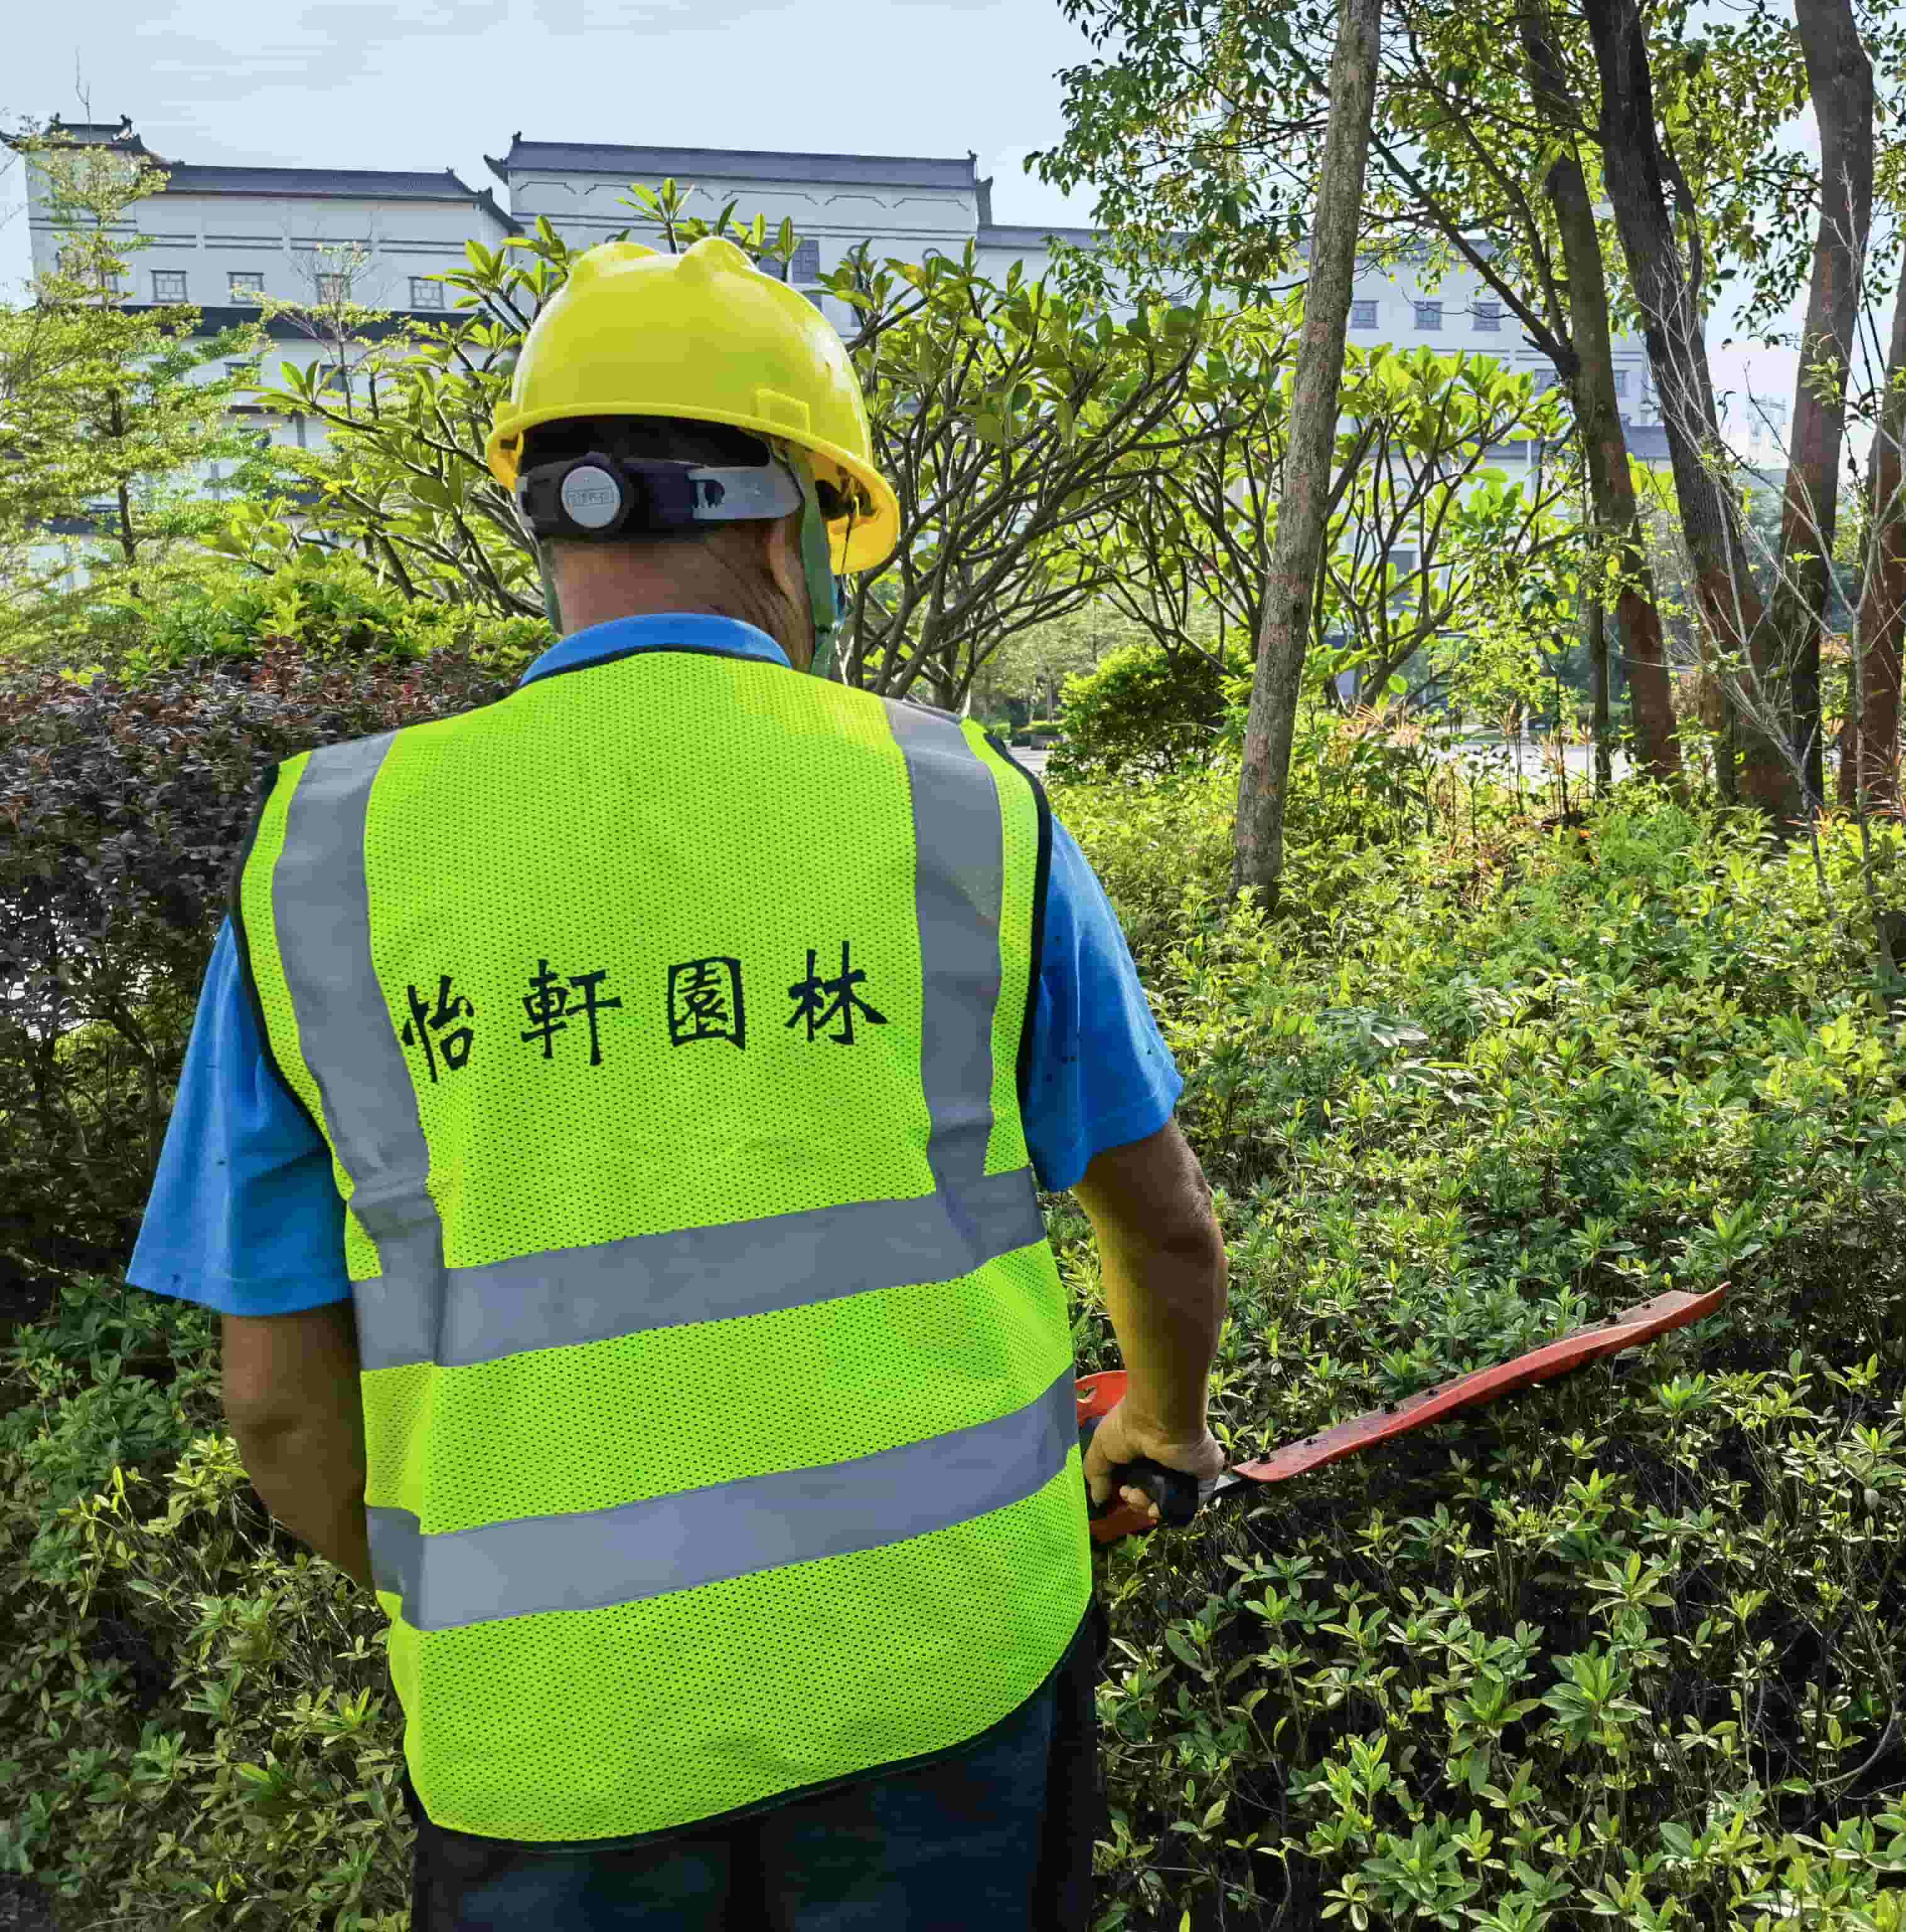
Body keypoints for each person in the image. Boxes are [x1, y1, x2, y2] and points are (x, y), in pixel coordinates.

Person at [128, 234, 1229, 1931]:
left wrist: (484, 1593)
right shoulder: (964, 810)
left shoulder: (322, 858)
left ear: (544, 519)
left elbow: (276, 1406)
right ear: (790, 517)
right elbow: (1163, 1233)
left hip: (546, 1764)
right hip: (942, 1686)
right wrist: (1159, 1422)